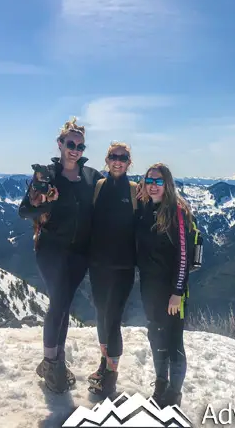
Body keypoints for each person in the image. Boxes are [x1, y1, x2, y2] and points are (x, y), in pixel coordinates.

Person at [18, 117, 102, 393]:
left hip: (80, 253)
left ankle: (54, 361)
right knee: (59, 302)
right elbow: (25, 211)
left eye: (79, 145)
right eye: (70, 143)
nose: (74, 149)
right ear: (60, 144)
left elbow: (114, 191)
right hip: (51, 250)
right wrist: (43, 202)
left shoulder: (91, 177)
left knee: (63, 305)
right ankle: (52, 363)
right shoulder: (46, 176)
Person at [136, 163, 195, 408]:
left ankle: (174, 393)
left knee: (173, 341)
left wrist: (177, 293)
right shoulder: (145, 208)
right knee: (155, 335)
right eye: (149, 180)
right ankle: (161, 384)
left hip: (172, 291)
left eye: (159, 181)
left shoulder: (177, 212)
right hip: (150, 288)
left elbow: (183, 255)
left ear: (167, 184)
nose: (153, 185)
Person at [85, 142, 138, 398]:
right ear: (107, 160)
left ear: (129, 162)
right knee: (101, 316)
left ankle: (111, 377)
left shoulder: (135, 191)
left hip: (123, 268)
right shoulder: (99, 188)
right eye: (113, 157)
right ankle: (104, 364)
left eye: (123, 157)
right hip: (98, 266)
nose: (118, 161)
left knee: (113, 320)